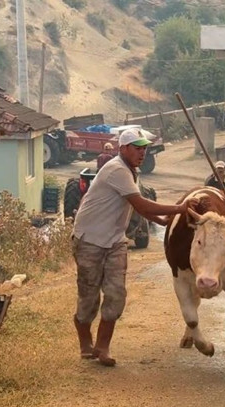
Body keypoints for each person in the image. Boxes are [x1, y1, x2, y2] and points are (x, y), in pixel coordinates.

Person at [72, 128, 195, 367]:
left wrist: (161, 221)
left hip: (115, 240)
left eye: (145, 148)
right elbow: (141, 203)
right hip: (90, 240)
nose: (142, 152)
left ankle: (103, 347)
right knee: (88, 295)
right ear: (123, 149)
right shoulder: (117, 169)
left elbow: (135, 205)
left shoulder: (131, 171)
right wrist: (180, 208)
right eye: (137, 148)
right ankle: (85, 342)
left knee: (116, 294)